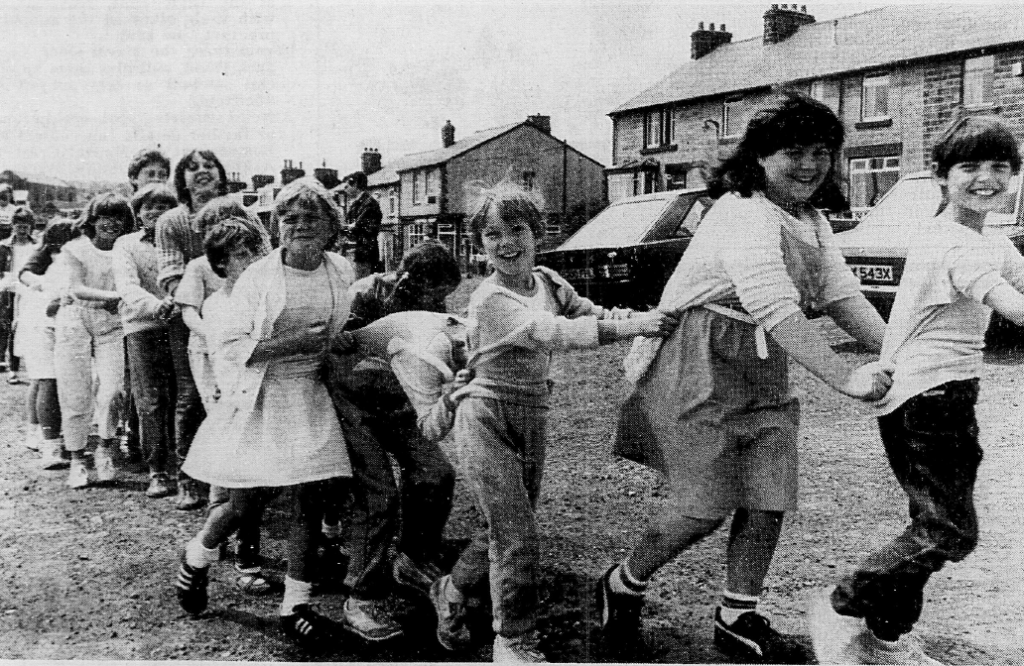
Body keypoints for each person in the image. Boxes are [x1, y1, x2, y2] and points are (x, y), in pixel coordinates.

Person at [600, 91, 893, 664]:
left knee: (768, 496)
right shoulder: (740, 210)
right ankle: (622, 581)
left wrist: (901, 355)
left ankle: (737, 615)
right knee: (702, 507)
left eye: (820, 152)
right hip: (697, 359)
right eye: (793, 152)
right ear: (759, 156)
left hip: (763, 366)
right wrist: (846, 377)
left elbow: (841, 296)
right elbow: (775, 306)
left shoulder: (812, 220)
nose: (809, 165)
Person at [430, 181, 678, 663]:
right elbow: (555, 333)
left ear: (536, 231)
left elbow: (592, 312)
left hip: (532, 414)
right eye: (493, 235)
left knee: (498, 529)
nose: (507, 244)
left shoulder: (548, 280)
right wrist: (636, 327)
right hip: (484, 417)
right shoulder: (489, 300)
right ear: (478, 244)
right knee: (517, 536)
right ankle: (514, 640)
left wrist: (650, 314)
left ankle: (451, 592)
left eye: (516, 229)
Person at [808, 116, 1024, 665]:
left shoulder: (983, 238)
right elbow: (1016, 307)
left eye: (1000, 166)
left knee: (926, 526)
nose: (986, 178)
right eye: (969, 166)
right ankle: (841, 606)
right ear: (941, 176)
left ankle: (883, 641)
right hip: (932, 400)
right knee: (950, 531)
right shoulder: (956, 244)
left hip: (929, 396)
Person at [174, 177, 356, 651]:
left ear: (330, 225)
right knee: (244, 502)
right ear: (277, 227)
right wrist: (291, 344)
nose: (300, 226)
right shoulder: (259, 277)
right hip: (260, 396)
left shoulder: (340, 269)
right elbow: (230, 348)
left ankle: (295, 604)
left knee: (306, 500)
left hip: (310, 395)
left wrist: (341, 344)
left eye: (311, 217)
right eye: (290, 219)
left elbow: (340, 328)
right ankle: (197, 556)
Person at [327, 240, 462, 642]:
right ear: (409, 279)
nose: (438, 301)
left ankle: (414, 557)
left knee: (436, 474)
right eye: (433, 291)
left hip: (397, 399)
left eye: (443, 295)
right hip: (351, 400)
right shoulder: (365, 293)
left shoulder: (434, 313)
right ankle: (362, 596)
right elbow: (339, 349)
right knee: (379, 495)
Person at [156, 148, 229, 510]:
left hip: (239, 320)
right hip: (191, 318)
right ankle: (188, 478)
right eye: (192, 168)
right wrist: (197, 305)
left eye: (208, 166)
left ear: (220, 173)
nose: (201, 172)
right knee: (190, 399)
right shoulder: (170, 221)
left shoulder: (238, 212)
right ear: (181, 178)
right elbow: (169, 275)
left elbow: (262, 257)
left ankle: (239, 478)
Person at [55, 193, 133, 489]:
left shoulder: (127, 250)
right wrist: (117, 297)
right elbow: (76, 289)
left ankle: (105, 449)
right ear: (93, 220)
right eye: (105, 217)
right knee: (75, 391)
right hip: (75, 318)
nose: (111, 224)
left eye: (118, 217)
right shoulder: (75, 248)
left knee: (113, 390)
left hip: (111, 324)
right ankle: (77, 459)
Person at [112, 183, 179, 498]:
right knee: (150, 399)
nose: (156, 212)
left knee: (183, 397)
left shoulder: (180, 240)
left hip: (181, 323)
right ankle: (158, 470)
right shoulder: (126, 244)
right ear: (138, 213)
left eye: (164, 206)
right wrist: (158, 305)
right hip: (142, 324)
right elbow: (127, 286)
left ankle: (188, 468)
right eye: (149, 207)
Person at [18, 221, 78, 470]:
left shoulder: (62, 257)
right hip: (39, 321)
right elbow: (26, 274)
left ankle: (35, 432)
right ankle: (49, 447)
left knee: (41, 380)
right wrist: (44, 286)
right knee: (47, 381)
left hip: (45, 318)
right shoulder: (45, 256)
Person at [0, 207, 38, 385]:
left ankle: (27, 368)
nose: (22, 230)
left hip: (30, 293)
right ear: (13, 226)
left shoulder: (37, 246)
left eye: (26, 226)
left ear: (31, 227)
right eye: (18, 226)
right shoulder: (4, 246)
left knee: (28, 329)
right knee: (8, 329)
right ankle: (11, 368)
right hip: (9, 291)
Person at [341, 171, 383, 279]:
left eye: (347, 186)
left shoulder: (369, 203)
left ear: (355, 184)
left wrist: (345, 227)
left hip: (364, 254)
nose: (345, 189)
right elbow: (349, 225)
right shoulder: (357, 203)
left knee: (360, 286)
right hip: (355, 253)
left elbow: (357, 227)